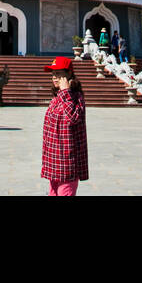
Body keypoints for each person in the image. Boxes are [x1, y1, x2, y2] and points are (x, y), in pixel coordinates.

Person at [41, 56, 87, 196]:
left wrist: (66, 92)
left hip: (68, 161)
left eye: (59, 74)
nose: (55, 77)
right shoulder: (57, 97)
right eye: (53, 74)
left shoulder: (76, 97)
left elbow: (73, 118)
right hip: (54, 159)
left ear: (69, 74)